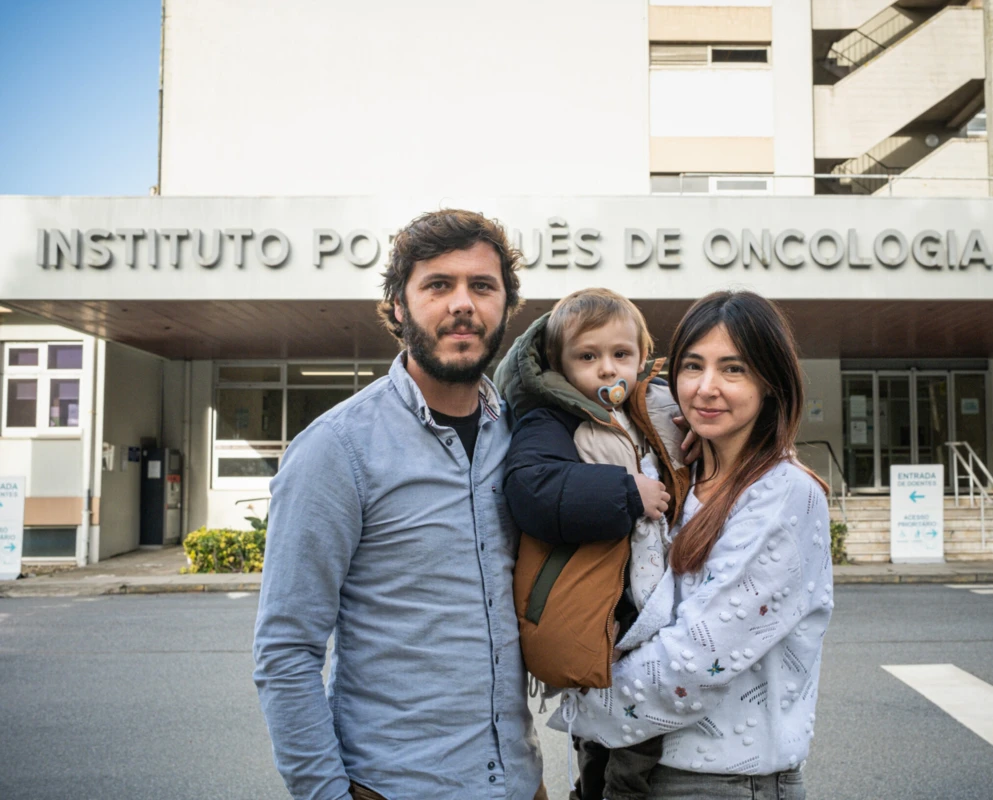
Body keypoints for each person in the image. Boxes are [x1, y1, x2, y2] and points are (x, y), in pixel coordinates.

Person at [252, 210, 545, 800]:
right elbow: (287, 651)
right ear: (398, 306)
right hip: (395, 785)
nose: (462, 304)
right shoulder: (337, 449)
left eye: (482, 286)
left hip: (518, 780)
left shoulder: (522, 437)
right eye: (438, 285)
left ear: (506, 306)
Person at [550, 290, 833, 800]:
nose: (706, 388)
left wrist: (582, 696)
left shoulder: (784, 494)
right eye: (693, 366)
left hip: (721, 783)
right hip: (624, 766)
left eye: (733, 369)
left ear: (771, 382)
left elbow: (695, 662)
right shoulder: (673, 474)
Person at [496, 288, 692, 800]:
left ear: (642, 357)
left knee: (630, 727)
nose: (607, 369)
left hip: (648, 595)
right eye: (587, 357)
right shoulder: (553, 419)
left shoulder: (652, 413)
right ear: (559, 366)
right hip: (602, 606)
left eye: (621, 354)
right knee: (617, 732)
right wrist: (627, 493)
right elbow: (533, 488)